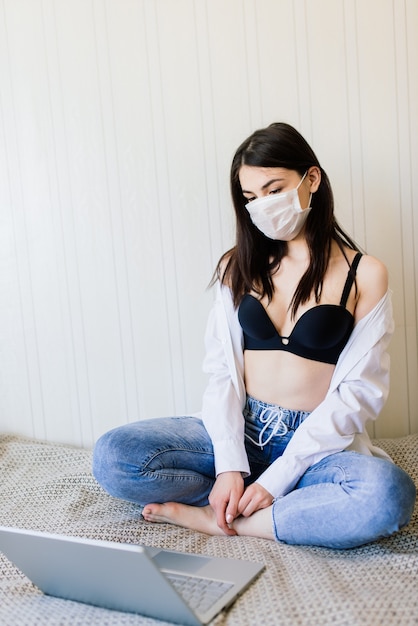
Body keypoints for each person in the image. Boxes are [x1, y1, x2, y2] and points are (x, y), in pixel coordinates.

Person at [93, 122, 416, 549]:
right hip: (241, 430)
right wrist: (229, 465)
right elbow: (223, 371)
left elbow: (359, 393)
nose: (263, 206)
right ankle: (250, 499)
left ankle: (231, 521)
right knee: (114, 456)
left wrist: (280, 477)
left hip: (317, 444)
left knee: (388, 496)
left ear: (311, 179)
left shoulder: (365, 274)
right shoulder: (239, 265)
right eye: (250, 198)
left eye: (273, 188)